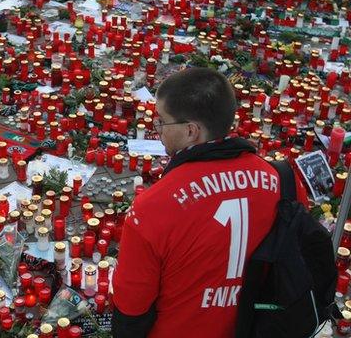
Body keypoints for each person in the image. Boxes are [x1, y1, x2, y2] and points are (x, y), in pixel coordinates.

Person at [111, 67, 308, 337]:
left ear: (191, 131)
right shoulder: (283, 180)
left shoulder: (153, 208)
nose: (157, 129)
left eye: (162, 121)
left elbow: (130, 311)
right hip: (261, 326)